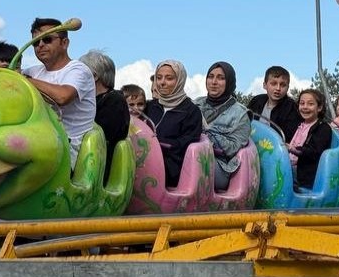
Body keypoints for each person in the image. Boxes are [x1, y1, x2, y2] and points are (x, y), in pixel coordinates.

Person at [22, 18, 96, 167]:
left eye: (47, 39)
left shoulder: (78, 70)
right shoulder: (31, 72)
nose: (40, 45)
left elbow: (63, 96)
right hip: (39, 142)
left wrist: (27, 81)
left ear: (64, 43)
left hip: (70, 148)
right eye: (35, 42)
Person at [144, 60, 204, 188]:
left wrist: (162, 144)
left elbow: (187, 142)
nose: (162, 82)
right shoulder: (150, 106)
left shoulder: (191, 111)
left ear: (180, 81)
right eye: (159, 78)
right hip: (144, 157)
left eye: (169, 78)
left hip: (173, 165)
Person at [195, 62, 251, 192]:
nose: (214, 82)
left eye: (221, 78)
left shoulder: (241, 114)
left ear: (229, 82)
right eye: (211, 76)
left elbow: (232, 149)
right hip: (189, 155)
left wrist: (205, 136)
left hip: (220, 165)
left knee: (194, 158)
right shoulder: (195, 104)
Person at [78, 50, 131, 180]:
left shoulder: (114, 100)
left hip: (99, 166)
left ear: (94, 76)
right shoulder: (87, 100)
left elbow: (103, 134)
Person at [288, 89, 333, 189]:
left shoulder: (323, 128)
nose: (305, 107)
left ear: (319, 107)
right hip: (291, 165)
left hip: (306, 173)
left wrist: (294, 149)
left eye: (310, 104)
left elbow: (314, 153)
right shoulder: (300, 125)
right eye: (302, 103)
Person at [245, 65, 301, 142]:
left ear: (288, 87)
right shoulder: (256, 101)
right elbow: (245, 123)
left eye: (283, 85)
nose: (278, 88)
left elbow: (290, 138)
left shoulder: (292, 108)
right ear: (265, 85)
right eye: (273, 84)